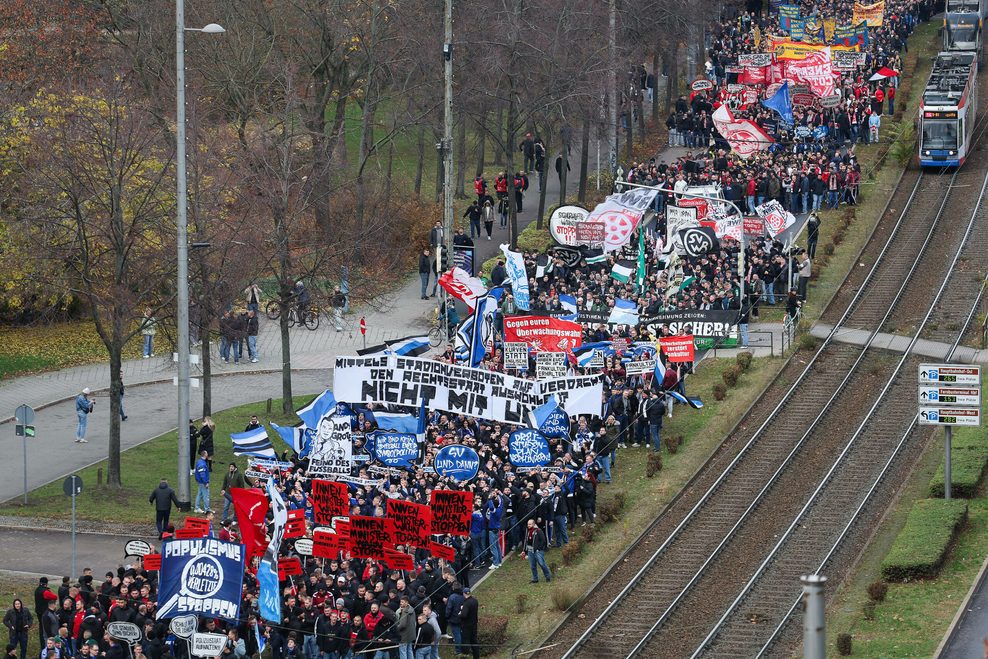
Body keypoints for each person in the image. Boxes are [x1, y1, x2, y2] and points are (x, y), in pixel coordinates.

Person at [524, 519, 552, 583]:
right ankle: (535, 579)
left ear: (533, 524)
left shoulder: (539, 531)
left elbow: (543, 540)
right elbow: (526, 540)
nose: (528, 525)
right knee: (532, 566)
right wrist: (525, 550)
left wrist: (538, 549)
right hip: (530, 551)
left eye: (530, 524)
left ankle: (548, 576)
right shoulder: (527, 531)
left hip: (538, 551)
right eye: (528, 524)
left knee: (542, 564)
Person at [458, 588, 479, 659]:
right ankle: (476, 656)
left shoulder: (466, 603)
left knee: (465, 642)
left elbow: (464, 615)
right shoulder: (475, 601)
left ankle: (465, 656)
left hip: (466, 626)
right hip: (474, 624)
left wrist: (460, 613)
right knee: (474, 641)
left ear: (464, 594)